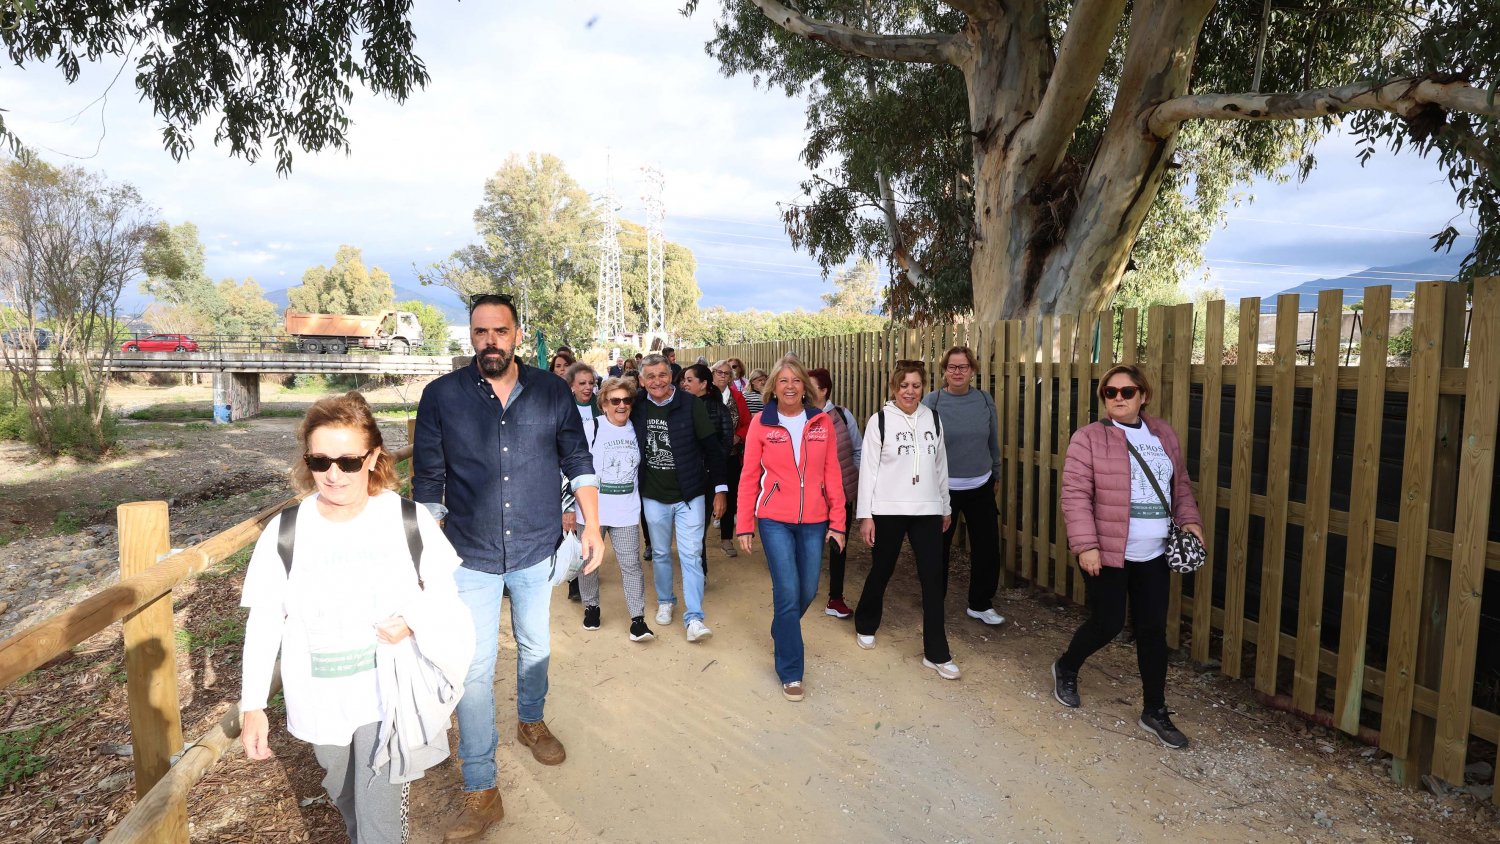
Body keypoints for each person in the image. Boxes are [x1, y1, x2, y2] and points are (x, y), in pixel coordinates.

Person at [239, 392, 474, 844]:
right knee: (345, 795)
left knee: (380, 822)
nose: (333, 474)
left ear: (373, 459)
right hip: (319, 698)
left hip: (387, 694)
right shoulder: (286, 531)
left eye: (348, 462)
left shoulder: (406, 519)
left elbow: (444, 591)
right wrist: (254, 706)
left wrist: (411, 618)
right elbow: (265, 619)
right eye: (320, 460)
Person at [413, 293, 605, 842]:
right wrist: (426, 551)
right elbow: (428, 482)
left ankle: (530, 721)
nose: (490, 341)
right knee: (471, 670)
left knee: (535, 646)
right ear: (470, 335)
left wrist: (591, 526)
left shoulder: (551, 392)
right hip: (468, 554)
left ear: (518, 333)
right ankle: (481, 790)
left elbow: (578, 462)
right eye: (480, 332)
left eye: (500, 331)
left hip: (535, 548)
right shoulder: (441, 397)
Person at [1054, 364, 1204, 749]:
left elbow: (1179, 484)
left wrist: (1190, 521)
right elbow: (1074, 495)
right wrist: (1086, 544)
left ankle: (1154, 709)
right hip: (1107, 551)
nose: (1118, 398)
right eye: (1110, 392)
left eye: (1127, 391)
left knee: (1153, 630)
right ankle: (1067, 666)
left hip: (1154, 553)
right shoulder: (1088, 438)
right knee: (1107, 623)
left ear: (1143, 395)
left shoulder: (1162, 435)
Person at [736, 358, 847, 701]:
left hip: (814, 519)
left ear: (805, 387)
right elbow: (749, 476)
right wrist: (744, 525)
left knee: (809, 589)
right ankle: (791, 670)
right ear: (773, 386)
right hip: (774, 519)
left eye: (796, 380)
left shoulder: (821, 421)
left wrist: (839, 522)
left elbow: (833, 473)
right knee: (787, 590)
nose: (789, 386)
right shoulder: (761, 423)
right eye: (782, 380)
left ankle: (781, 629)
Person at [852, 361, 959, 680]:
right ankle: (866, 623)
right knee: (882, 569)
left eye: (915, 385)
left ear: (923, 387)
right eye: (903, 386)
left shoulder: (933, 419)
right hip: (888, 509)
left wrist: (945, 505)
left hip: (927, 509)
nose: (909, 391)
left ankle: (936, 653)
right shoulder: (880, 421)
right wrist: (865, 515)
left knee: (932, 579)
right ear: (893, 388)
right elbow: (868, 469)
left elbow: (941, 466)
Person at [632, 353, 729, 643]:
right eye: (650, 377)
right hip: (653, 494)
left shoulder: (690, 405)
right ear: (641, 380)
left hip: (690, 494)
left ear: (670, 375)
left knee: (691, 554)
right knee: (660, 552)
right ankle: (665, 600)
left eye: (662, 375)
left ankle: (695, 617)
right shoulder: (636, 405)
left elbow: (712, 448)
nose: (657, 381)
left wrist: (721, 489)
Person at [923, 345, 1006, 627]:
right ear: (944, 370)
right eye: (952, 367)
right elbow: (923, 447)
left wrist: (996, 472)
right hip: (942, 489)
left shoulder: (984, 399)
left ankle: (980, 604)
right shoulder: (932, 402)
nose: (957, 372)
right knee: (938, 549)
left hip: (980, 485)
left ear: (972, 370)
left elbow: (992, 438)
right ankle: (935, 603)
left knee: (987, 549)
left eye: (963, 367)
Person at [575, 377, 655, 641]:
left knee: (631, 564)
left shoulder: (637, 429)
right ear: (604, 404)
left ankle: (637, 619)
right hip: (591, 511)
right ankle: (592, 607)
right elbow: (572, 466)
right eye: (615, 401)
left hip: (626, 510)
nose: (621, 405)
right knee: (588, 562)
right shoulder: (591, 427)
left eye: (626, 400)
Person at [807, 367, 860, 619]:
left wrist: (851, 476)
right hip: (809, 496)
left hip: (839, 494)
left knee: (839, 545)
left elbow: (857, 450)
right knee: (809, 544)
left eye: (809, 385)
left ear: (824, 390)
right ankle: (802, 589)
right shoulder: (799, 415)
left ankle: (835, 598)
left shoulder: (842, 415)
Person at [682, 363, 735, 575]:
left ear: (703, 384)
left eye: (689, 380)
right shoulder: (682, 407)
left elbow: (725, 443)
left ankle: (698, 571)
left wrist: (708, 466)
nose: (684, 384)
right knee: (690, 528)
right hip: (686, 475)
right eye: (683, 380)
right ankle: (696, 569)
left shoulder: (718, 408)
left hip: (707, 476)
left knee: (697, 528)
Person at [710, 360, 750, 557]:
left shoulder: (737, 397)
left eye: (727, 373)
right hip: (706, 457)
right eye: (719, 372)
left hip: (731, 454)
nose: (723, 376)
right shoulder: (704, 395)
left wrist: (738, 436)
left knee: (730, 494)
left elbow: (746, 423)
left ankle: (726, 539)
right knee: (706, 494)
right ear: (712, 374)